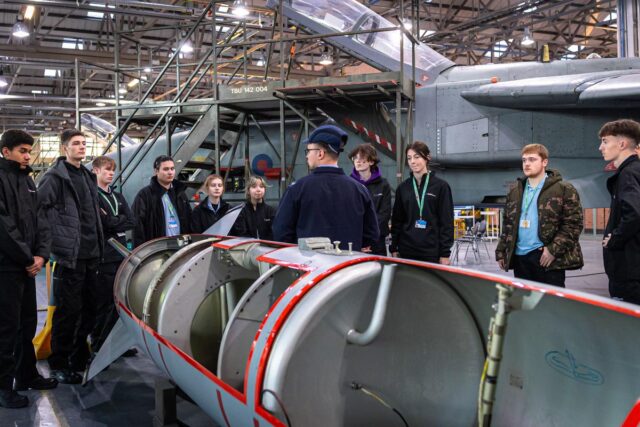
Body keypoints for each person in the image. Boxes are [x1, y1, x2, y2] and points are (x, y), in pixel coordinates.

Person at [38, 129, 104, 384]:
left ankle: (78, 357)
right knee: (68, 312)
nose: (82, 147)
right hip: (70, 256)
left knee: (89, 309)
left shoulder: (87, 175)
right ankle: (58, 362)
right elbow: (39, 210)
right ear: (65, 148)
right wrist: (52, 243)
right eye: (76, 143)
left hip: (91, 253)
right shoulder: (55, 177)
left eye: (84, 143)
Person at [0, 130, 57, 408]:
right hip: (7, 268)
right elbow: (3, 226)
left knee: (27, 324)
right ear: (6, 151)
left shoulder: (29, 181)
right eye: (22, 151)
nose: (27, 156)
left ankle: (26, 375)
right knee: (6, 329)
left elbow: (41, 220)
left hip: (28, 266)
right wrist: (26, 258)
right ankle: (3, 387)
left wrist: (41, 255)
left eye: (29, 151)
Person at [273, 124, 379, 251]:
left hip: (309, 262)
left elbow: (281, 233)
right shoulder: (360, 190)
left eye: (308, 151)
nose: (306, 156)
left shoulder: (297, 189)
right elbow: (372, 234)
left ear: (320, 153)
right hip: (347, 262)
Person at [495, 143, 583, 287]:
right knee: (526, 300)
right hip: (520, 258)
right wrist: (501, 250)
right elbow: (508, 224)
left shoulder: (563, 189)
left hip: (545, 257)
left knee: (550, 300)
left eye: (532, 159)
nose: (527, 164)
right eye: (524, 160)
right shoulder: (515, 191)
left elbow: (573, 224)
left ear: (544, 162)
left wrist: (553, 250)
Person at [91, 156, 136, 353]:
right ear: (96, 171)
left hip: (120, 255)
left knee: (120, 301)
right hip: (104, 256)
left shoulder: (118, 196)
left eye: (112, 170)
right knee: (103, 303)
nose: (110, 173)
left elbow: (132, 221)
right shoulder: (93, 196)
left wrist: (114, 220)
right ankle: (99, 346)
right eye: (106, 170)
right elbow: (103, 224)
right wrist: (118, 220)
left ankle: (117, 346)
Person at [390, 141, 454, 264]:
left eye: (417, 157)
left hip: (431, 252)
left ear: (427, 158)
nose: (412, 161)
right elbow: (397, 221)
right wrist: (394, 247)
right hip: (406, 251)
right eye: (409, 158)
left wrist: (445, 253)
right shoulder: (403, 188)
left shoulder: (441, 187)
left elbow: (447, 222)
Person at [599, 119, 640, 304]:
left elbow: (634, 213)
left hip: (629, 271)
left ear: (622, 144)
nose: (601, 147)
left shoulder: (628, 174)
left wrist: (614, 238)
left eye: (605, 141)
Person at [132, 155, 191, 247]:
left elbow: (189, 219)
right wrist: (141, 251)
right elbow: (138, 227)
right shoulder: (145, 195)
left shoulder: (180, 194)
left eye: (172, 169)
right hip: (158, 248)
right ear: (156, 171)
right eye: (166, 169)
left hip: (180, 246)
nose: (170, 172)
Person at [349, 144, 392, 255]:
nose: (358, 161)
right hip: (355, 241)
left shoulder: (383, 185)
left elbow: (384, 214)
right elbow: (347, 215)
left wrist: (369, 239)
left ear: (371, 161)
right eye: (355, 158)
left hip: (376, 242)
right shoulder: (348, 184)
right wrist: (359, 240)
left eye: (362, 158)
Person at [231, 176, 276, 240]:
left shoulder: (271, 211)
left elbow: (274, 233)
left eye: (261, 186)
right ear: (248, 190)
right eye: (254, 187)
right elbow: (241, 234)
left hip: (267, 245)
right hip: (247, 245)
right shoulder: (241, 211)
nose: (258, 190)